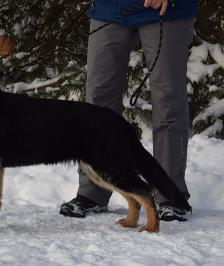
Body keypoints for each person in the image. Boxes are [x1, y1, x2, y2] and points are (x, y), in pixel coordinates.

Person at [59, 0, 197, 222]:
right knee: (97, 105)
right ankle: (93, 193)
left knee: (168, 102)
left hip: (167, 10)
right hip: (108, 9)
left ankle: (171, 196)